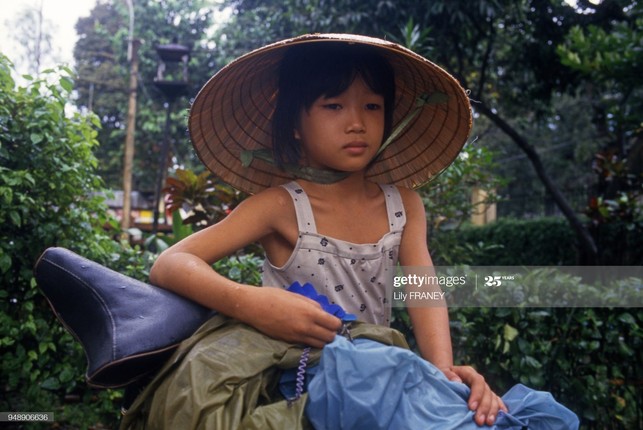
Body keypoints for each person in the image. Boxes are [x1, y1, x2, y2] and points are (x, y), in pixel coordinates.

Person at [140, 34, 576, 429]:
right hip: (306, 377)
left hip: (378, 370)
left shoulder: (402, 204)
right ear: (295, 122)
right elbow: (171, 263)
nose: (357, 123)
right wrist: (254, 304)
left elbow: (423, 288)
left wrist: (442, 371)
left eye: (372, 106)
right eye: (333, 106)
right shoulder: (279, 205)